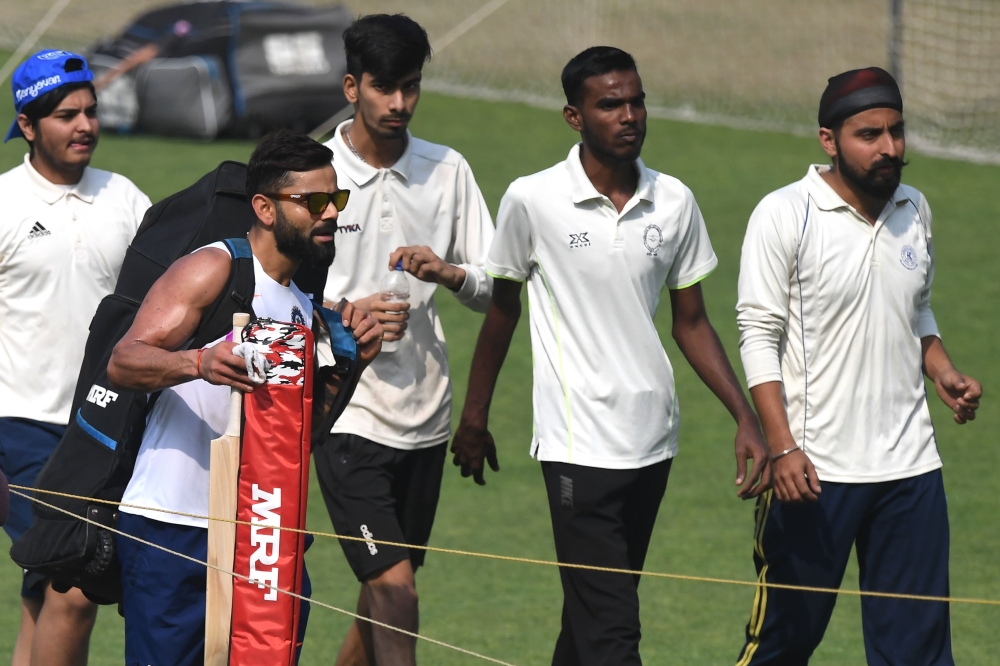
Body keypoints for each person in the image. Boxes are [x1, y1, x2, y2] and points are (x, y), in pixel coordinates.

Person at [451, 46, 771, 666]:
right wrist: (475, 417)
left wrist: (744, 416)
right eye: (610, 104)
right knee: (615, 631)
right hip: (577, 445)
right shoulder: (533, 199)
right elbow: (502, 311)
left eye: (636, 100)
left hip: (653, 440)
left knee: (593, 617)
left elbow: (693, 322)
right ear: (575, 117)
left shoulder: (674, 201)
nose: (629, 115)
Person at [733, 67, 982, 666]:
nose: (889, 148)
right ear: (828, 139)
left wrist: (941, 368)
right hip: (816, 470)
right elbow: (757, 334)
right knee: (783, 645)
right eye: (869, 134)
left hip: (910, 468)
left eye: (897, 131)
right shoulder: (785, 214)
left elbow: (914, 306)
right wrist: (782, 444)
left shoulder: (913, 207)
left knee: (918, 653)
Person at [107, 130, 382, 665]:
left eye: (336, 200)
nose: (330, 215)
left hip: (262, 535)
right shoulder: (215, 267)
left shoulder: (305, 306)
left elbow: (302, 435)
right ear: (263, 206)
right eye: (312, 202)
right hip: (174, 525)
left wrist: (353, 368)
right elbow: (125, 359)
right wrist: (199, 363)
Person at [312, 14, 494, 666]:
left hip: (425, 417)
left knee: (383, 592)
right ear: (351, 86)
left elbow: (494, 288)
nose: (400, 104)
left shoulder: (447, 171)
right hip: (344, 412)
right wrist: (345, 314)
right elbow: (269, 296)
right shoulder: (315, 175)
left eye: (411, 87)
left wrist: (448, 273)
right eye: (385, 88)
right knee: (394, 587)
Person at [0, 50, 150, 666]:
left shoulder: (126, 198)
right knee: (75, 582)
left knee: (48, 586)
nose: (85, 125)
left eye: (90, 111)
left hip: (105, 427)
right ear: (29, 126)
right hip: (22, 428)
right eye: (66, 115)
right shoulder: (4, 203)